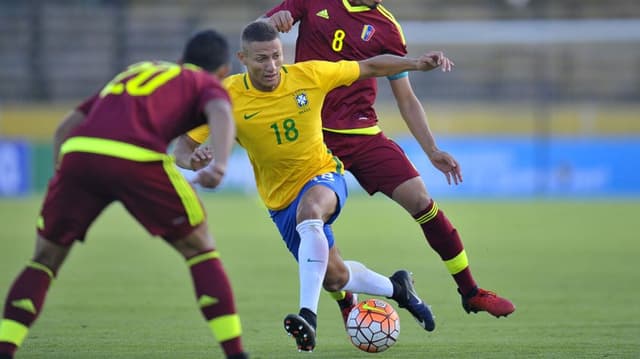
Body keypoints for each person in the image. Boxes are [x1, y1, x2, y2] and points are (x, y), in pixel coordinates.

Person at [174, 21, 453, 352]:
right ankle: (398, 289)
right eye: (261, 59)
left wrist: (415, 64)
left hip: (323, 175)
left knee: (311, 213)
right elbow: (182, 148)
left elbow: (370, 66)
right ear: (242, 58)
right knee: (335, 277)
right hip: (279, 201)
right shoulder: (227, 97)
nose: (272, 66)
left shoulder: (309, 75)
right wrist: (195, 160)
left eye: (277, 56)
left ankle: (309, 315)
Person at [0, 30, 249, 359]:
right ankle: (235, 353)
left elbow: (66, 126)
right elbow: (220, 109)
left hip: (80, 153)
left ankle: (6, 348)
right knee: (201, 249)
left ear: (179, 61)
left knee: (44, 260)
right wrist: (219, 164)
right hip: (136, 157)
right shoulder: (203, 82)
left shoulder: (134, 71)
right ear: (222, 71)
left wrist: (64, 178)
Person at [264, 0, 515, 318]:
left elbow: (406, 98)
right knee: (312, 226)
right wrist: (275, 20)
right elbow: (260, 32)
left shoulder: (387, 27)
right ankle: (346, 301)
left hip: (362, 133)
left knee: (421, 199)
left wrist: (432, 150)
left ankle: (471, 291)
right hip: (313, 137)